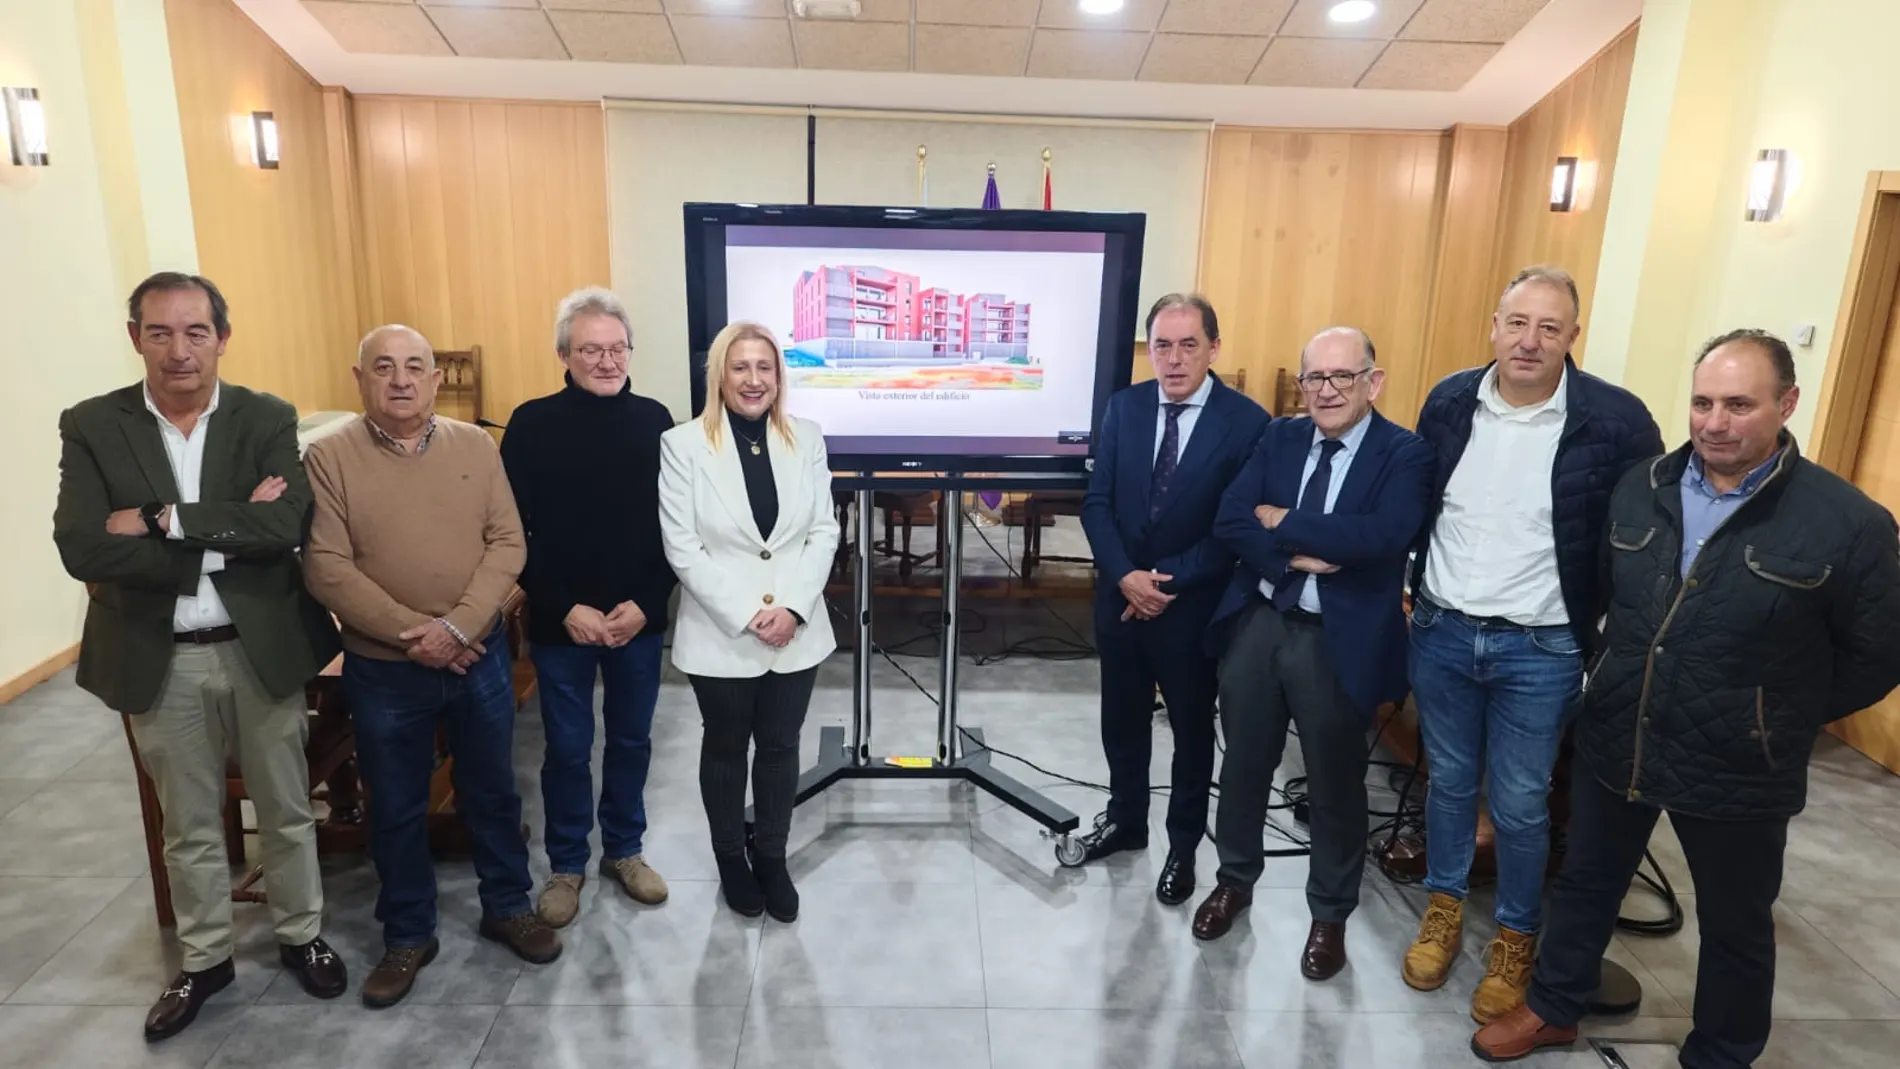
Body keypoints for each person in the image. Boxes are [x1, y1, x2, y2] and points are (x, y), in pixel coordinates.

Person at [1473, 329, 1900, 1065]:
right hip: (1621, 732)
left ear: (1786, 403)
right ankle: (1554, 1004)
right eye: (1703, 401)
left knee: (1736, 923)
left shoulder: (1848, 524)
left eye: (1739, 403)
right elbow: (1604, 597)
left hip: (1738, 762)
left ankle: (1721, 1052)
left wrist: (1773, 710)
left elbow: (1878, 654)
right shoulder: (1641, 487)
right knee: (1585, 883)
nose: (1715, 421)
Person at [51, 272, 346, 1040]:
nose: (179, 350)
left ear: (221, 335)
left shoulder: (264, 415)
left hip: (258, 648)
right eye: (160, 332)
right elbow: (80, 545)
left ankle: (300, 934)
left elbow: (283, 524)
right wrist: (223, 536)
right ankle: (206, 957)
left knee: (285, 807)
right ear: (135, 337)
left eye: (195, 332)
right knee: (187, 822)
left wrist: (158, 520)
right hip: (159, 653)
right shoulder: (92, 424)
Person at [1405, 265, 1664, 1022]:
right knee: (1449, 783)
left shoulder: (1616, 421)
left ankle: (1517, 936)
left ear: (1571, 338)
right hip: (1445, 630)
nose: (1530, 340)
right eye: (1517, 322)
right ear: (1493, 325)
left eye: (1550, 327)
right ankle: (1444, 908)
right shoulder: (1450, 401)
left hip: (1542, 646)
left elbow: (1643, 537)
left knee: (1520, 802)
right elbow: (1425, 502)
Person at [303, 324, 557, 1008]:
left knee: (493, 792)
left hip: (476, 658)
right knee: (396, 804)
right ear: (359, 378)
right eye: (383, 367)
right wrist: (418, 635)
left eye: (415, 366)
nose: (401, 379)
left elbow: (508, 542)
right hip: (385, 669)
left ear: (434, 379)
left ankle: (509, 904)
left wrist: (459, 625)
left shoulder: (475, 445)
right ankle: (408, 932)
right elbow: (326, 565)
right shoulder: (329, 457)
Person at [1193, 328, 1432, 978]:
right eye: (1315, 378)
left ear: (1373, 383)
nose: (1326, 390)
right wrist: (1297, 549)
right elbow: (1231, 516)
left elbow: (1384, 534)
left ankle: (1330, 913)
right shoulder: (1280, 436)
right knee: (1242, 764)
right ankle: (1234, 880)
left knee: (1333, 784)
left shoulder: (1404, 453)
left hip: (1339, 639)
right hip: (1263, 620)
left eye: (1342, 377)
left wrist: (1285, 518)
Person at [1076, 293, 1270, 905]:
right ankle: (1125, 820)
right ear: (1149, 349)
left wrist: (1164, 584)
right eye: (1163, 345)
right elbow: (1097, 503)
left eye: (1190, 345)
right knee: (1122, 721)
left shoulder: (1247, 423)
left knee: (1190, 733)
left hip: (1193, 609)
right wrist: (1126, 577)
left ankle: (1183, 847)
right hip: (1121, 597)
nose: (1175, 358)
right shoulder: (1125, 408)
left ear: (1215, 347)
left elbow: (1232, 528)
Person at [501, 288, 676, 928]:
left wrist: (649, 601)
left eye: (616, 348)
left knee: (631, 740)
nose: (606, 360)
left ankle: (624, 852)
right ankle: (568, 863)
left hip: (639, 617)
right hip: (560, 620)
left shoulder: (657, 420)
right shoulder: (530, 423)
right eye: (590, 349)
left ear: (630, 351)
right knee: (569, 748)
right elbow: (511, 532)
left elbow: (676, 529)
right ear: (563, 355)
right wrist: (563, 605)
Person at [658, 320, 839, 923]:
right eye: (741, 367)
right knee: (728, 745)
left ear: (779, 377)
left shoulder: (807, 438)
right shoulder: (683, 445)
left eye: (766, 367)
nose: (754, 379)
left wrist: (791, 609)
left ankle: (772, 855)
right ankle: (731, 858)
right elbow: (682, 547)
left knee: (782, 746)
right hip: (720, 631)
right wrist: (747, 614)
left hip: (797, 628)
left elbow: (823, 531)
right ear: (720, 376)